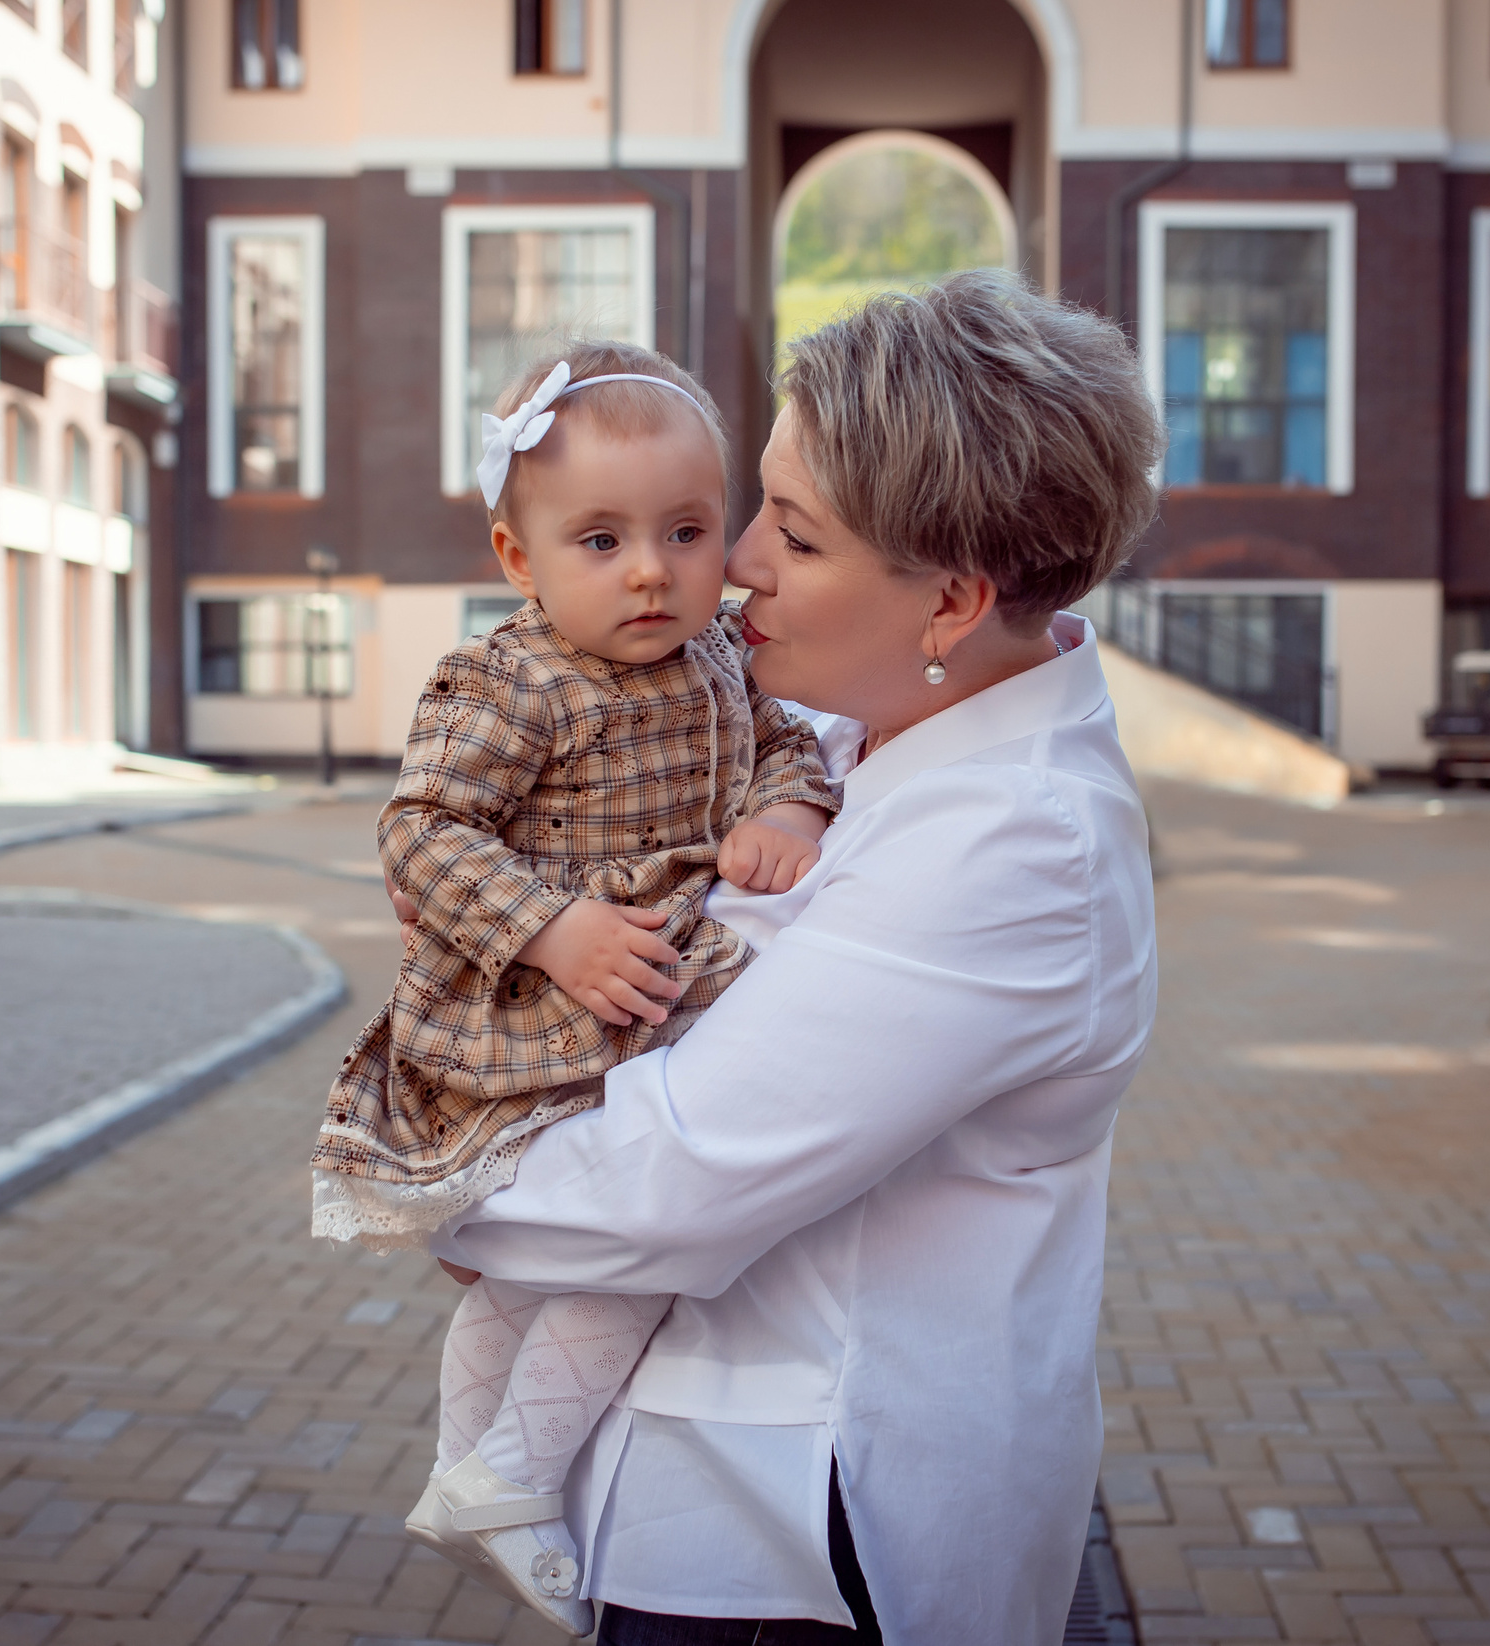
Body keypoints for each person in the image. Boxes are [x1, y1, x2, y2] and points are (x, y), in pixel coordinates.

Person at [428, 269, 1165, 1645]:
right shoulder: (842, 723)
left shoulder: (1016, 845)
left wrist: (450, 1191)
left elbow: (673, 1176)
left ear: (953, 601)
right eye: (759, 502)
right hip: (718, 1484)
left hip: (803, 1535)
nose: (738, 560)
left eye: (798, 535)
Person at [311, 341, 841, 1634]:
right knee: (646, 1246)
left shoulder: (726, 656)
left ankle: (470, 1477)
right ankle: (510, 1470)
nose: (651, 569)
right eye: (600, 540)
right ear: (518, 556)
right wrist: (550, 927)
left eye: (686, 531)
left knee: (550, 1271)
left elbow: (788, 744)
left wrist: (786, 809)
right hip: (546, 1005)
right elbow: (422, 831)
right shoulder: (513, 680)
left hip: (654, 988)